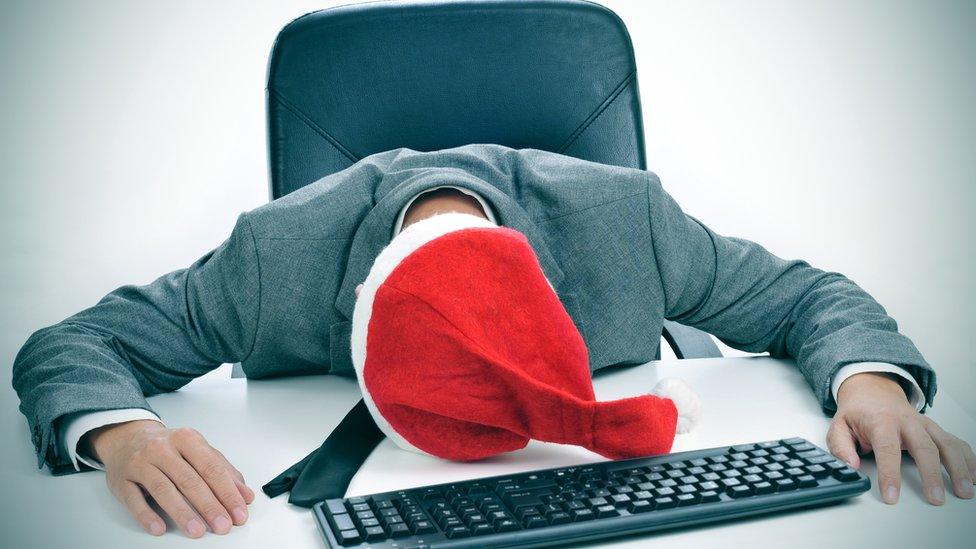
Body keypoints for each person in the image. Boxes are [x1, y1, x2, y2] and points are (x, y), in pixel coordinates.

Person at [11, 144, 975, 539]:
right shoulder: (275, 260)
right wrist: (122, 433)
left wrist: (874, 384)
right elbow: (75, 341)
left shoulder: (627, 225)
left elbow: (807, 295)